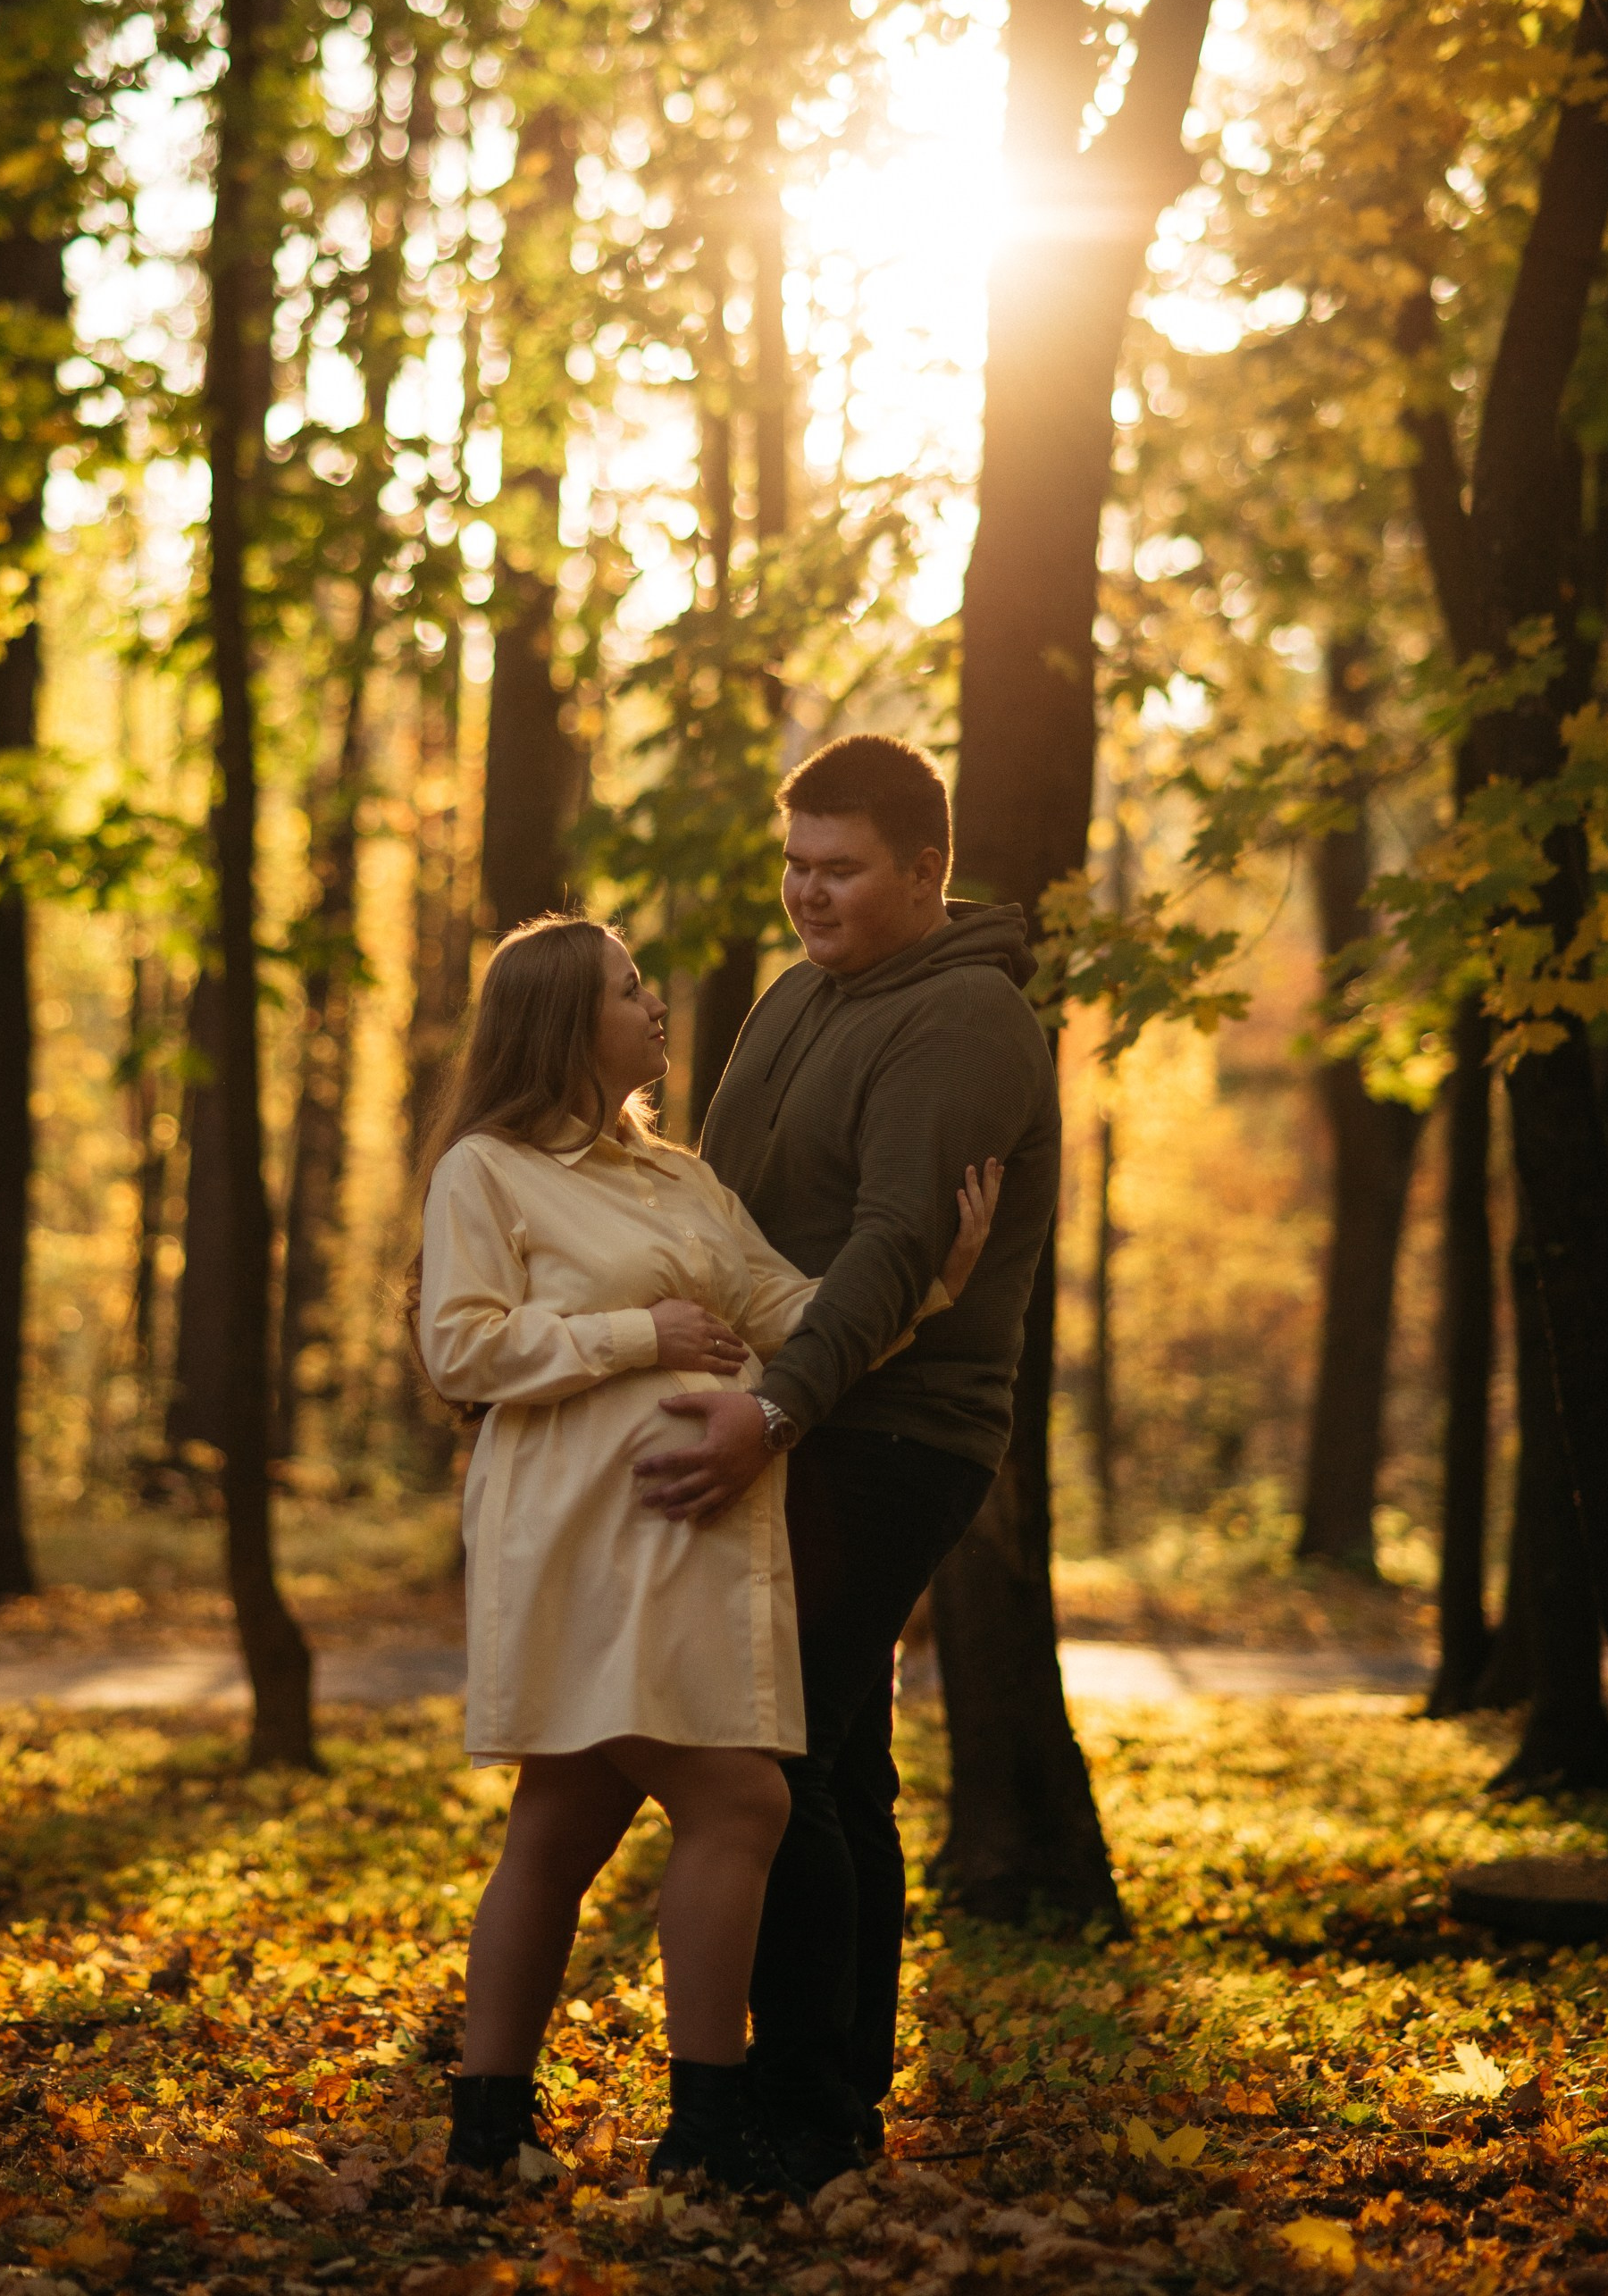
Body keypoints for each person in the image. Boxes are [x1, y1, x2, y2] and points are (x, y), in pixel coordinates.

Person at [414, 912, 1000, 2194]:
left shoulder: (681, 1179)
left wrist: (930, 1286)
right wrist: (640, 1336)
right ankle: (705, 2124)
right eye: (628, 989)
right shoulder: (488, 1170)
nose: (654, 1005)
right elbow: (459, 1347)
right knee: (742, 1801)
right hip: (576, 1533)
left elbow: (788, 1315)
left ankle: (487, 2130)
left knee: (563, 1819)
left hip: (690, 1541)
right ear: (564, 1023)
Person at [631, 733, 1059, 2189]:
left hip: (889, 1429)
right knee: (830, 1754)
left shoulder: (964, 1020)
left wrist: (774, 1411)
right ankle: (829, 2100)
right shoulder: (795, 996)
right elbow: (723, 1203)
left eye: (841, 869)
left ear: (926, 870)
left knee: (780, 1749)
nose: (808, 893)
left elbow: (889, 1248)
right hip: (797, 1406)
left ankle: (799, 2117)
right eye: (794, 865)